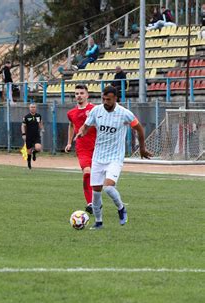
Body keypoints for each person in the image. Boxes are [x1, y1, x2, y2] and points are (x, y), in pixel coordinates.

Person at [76, 86, 152, 229]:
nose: (105, 102)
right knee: (96, 193)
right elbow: (86, 126)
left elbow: (140, 128)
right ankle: (98, 222)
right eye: (103, 99)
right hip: (98, 157)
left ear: (115, 98)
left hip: (115, 158)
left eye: (108, 99)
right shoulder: (96, 111)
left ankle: (121, 208)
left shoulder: (124, 114)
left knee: (109, 188)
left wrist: (142, 148)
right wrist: (82, 132)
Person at [65, 84, 97, 214]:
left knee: (98, 178)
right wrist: (69, 143)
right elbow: (71, 126)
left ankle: (96, 201)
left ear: (87, 95)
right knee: (87, 173)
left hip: (98, 147)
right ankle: (90, 203)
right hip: (82, 148)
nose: (79, 95)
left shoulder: (95, 109)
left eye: (81, 93)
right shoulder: (71, 113)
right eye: (77, 93)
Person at [21, 103, 43, 169]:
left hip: (36, 135)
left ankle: (34, 152)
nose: (33, 108)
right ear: (29, 108)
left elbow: (40, 123)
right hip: (29, 136)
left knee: (38, 148)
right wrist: (23, 134)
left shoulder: (38, 116)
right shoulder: (26, 117)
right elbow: (23, 126)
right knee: (29, 151)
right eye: (31, 107)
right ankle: (29, 164)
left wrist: (42, 129)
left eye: (34, 107)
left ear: (36, 108)